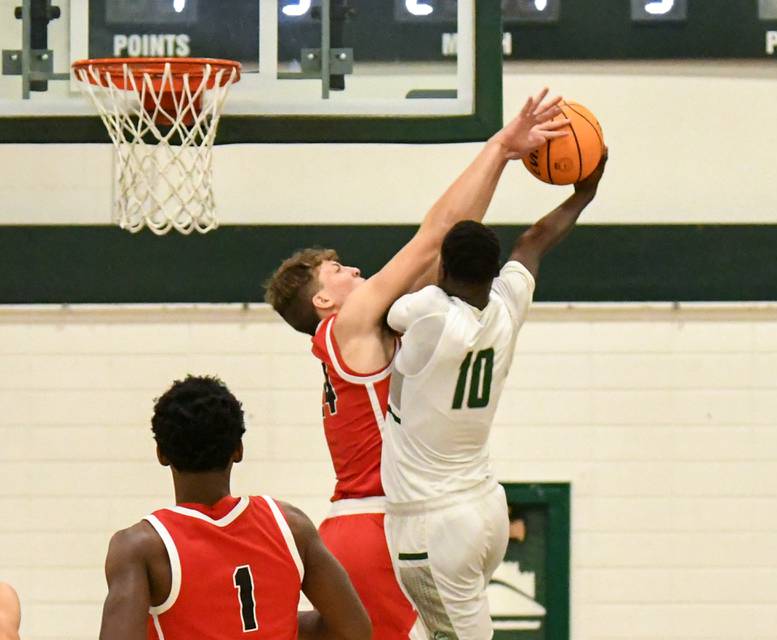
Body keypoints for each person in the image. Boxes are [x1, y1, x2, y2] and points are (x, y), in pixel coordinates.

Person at [265, 90, 569, 640]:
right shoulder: (349, 325)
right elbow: (436, 237)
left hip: (368, 523)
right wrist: (500, 148)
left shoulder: (368, 332)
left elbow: (444, 259)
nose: (351, 268)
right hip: (388, 520)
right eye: (335, 270)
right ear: (322, 303)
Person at [381, 152, 608, 639]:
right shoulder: (506, 306)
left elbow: (381, 310)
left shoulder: (429, 312)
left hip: (432, 524)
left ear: (442, 265)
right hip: (484, 510)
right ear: (491, 271)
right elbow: (534, 241)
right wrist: (582, 195)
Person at [99, 375, 371, 640]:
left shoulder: (140, 546)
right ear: (238, 450)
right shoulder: (290, 525)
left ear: (161, 453)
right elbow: (354, 630)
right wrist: (268, 620)